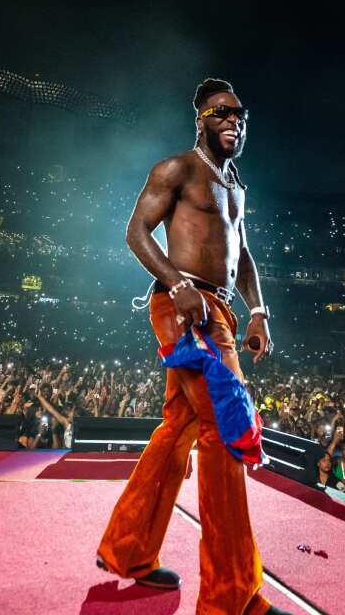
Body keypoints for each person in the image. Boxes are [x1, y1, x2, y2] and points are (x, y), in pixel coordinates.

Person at [96, 78, 287, 615]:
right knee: (228, 430)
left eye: (240, 114)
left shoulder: (236, 187)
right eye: (222, 112)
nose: (233, 120)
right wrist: (177, 284)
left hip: (220, 308)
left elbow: (241, 254)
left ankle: (127, 549)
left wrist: (257, 310)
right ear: (200, 118)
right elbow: (136, 233)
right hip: (185, 308)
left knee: (181, 427)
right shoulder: (177, 169)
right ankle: (234, 596)